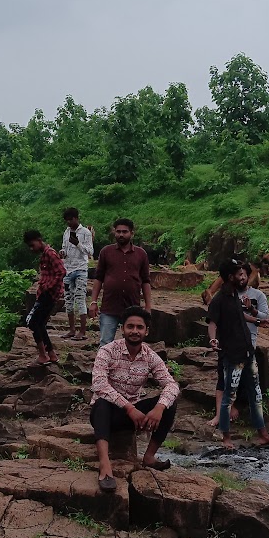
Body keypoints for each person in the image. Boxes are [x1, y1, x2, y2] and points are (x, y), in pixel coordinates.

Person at [90, 307, 180, 492]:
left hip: (133, 418)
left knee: (169, 403)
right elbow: (99, 385)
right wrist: (129, 408)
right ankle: (105, 466)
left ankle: (149, 457)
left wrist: (159, 408)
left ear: (146, 331)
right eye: (130, 326)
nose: (135, 331)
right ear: (122, 329)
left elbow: (172, 385)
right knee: (101, 402)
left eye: (140, 327)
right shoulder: (107, 351)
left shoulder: (150, 356)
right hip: (107, 415)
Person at [207, 259, 269, 449]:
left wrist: (256, 321)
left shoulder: (235, 297)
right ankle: (226, 438)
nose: (243, 276)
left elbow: (240, 315)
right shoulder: (219, 300)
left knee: (256, 394)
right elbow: (212, 323)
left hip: (248, 352)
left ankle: (262, 434)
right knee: (229, 396)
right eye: (239, 274)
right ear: (230, 277)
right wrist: (213, 340)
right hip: (232, 355)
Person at [89, 217, 152, 345]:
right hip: (109, 307)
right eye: (118, 232)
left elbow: (145, 281)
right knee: (105, 342)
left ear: (131, 233)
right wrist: (93, 301)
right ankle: (103, 365)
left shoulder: (141, 254)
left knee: (132, 342)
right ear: (114, 232)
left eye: (125, 232)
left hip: (132, 307)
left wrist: (148, 306)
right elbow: (99, 278)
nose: (121, 234)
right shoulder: (106, 252)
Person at [23, 229, 65, 365]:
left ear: (39, 240)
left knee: (33, 322)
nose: (31, 249)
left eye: (32, 245)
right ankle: (51, 354)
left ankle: (43, 355)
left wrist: (48, 287)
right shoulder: (45, 254)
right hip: (46, 294)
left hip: (49, 295)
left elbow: (61, 272)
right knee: (39, 323)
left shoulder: (50, 253)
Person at [59, 206, 94, 340]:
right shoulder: (66, 232)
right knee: (68, 300)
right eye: (67, 220)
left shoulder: (85, 232)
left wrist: (78, 244)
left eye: (70, 219)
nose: (69, 222)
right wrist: (63, 252)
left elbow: (90, 252)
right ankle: (72, 330)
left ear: (76, 218)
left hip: (81, 269)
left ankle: (82, 331)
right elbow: (64, 248)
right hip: (68, 269)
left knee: (80, 298)